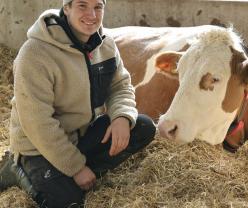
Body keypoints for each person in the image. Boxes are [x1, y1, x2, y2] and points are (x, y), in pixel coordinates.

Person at [0, 0, 156, 207]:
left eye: (98, 7)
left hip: (81, 135)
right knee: (69, 201)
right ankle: (17, 169)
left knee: (143, 127)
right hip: (38, 147)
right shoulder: (35, 53)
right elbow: (37, 122)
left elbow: (120, 86)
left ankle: (68, 173)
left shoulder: (105, 43)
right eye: (82, 6)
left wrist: (121, 116)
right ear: (67, 8)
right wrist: (76, 168)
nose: (91, 14)